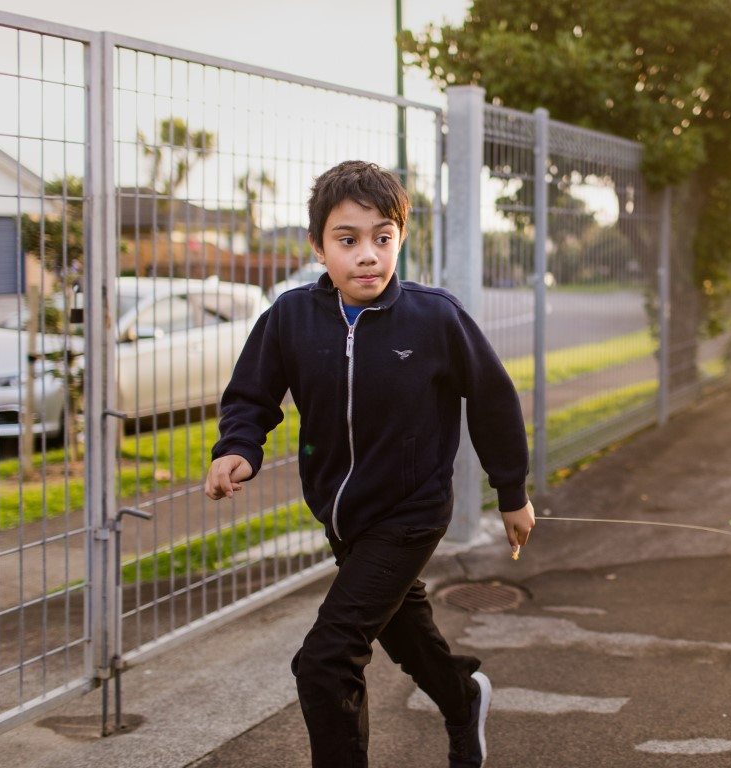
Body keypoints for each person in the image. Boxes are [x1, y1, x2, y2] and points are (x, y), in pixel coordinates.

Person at [204, 160, 534, 768]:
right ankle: (463, 698)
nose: (368, 256)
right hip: (343, 516)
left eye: (383, 238)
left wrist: (511, 491)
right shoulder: (292, 317)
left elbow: (492, 399)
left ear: (401, 239)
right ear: (318, 246)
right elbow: (251, 395)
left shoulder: (435, 317)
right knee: (405, 631)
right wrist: (236, 449)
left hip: (411, 513)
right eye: (347, 240)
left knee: (326, 661)